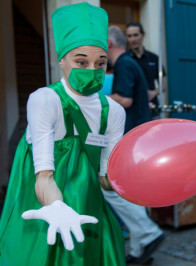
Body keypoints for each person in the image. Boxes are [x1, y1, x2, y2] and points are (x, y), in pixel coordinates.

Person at [0, 3, 126, 265]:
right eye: (81, 61)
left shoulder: (114, 112)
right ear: (62, 61)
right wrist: (56, 206)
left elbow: (105, 179)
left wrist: (139, 181)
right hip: (41, 203)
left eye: (100, 63)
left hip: (87, 207)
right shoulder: (45, 100)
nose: (91, 69)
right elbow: (44, 176)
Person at [105, 25, 165, 265]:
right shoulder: (129, 62)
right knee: (129, 191)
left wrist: (91, 100)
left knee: (112, 187)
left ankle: (148, 234)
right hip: (136, 136)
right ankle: (141, 249)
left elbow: (124, 99)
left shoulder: (123, 64)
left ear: (108, 44)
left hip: (130, 136)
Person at [126, 21, 167, 120]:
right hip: (132, 112)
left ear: (142, 35)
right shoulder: (124, 59)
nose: (133, 39)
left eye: (135, 35)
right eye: (129, 36)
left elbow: (164, 84)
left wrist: (154, 92)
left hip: (152, 110)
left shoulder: (154, 58)